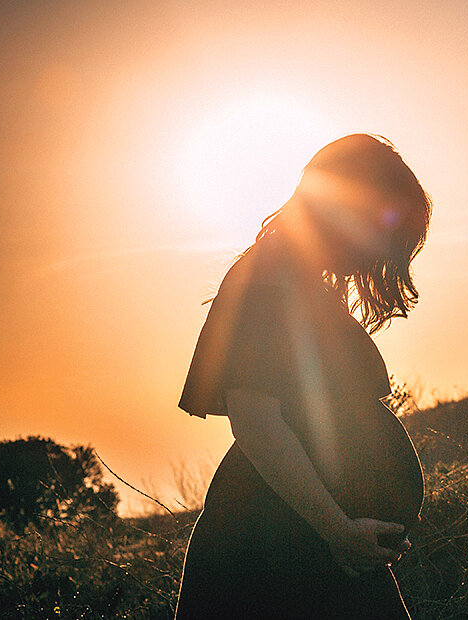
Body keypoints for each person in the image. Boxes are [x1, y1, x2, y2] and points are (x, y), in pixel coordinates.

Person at [174, 134, 431, 618]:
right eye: (382, 225)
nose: (382, 248)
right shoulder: (270, 277)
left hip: (312, 537)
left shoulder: (296, 278)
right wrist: (337, 530)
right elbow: (257, 421)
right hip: (276, 542)